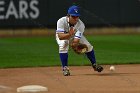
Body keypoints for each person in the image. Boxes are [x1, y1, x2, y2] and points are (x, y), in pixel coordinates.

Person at [56, 5, 103, 76]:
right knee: (64, 44)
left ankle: (94, 64)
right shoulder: (61, 21)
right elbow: (60, 36)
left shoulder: (81, 25)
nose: (75, 18)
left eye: (77, 16)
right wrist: (69, 34)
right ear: (68, 16)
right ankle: (65, 68)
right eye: (73, 16)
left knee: (88, 46)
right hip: (63, 36)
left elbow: (76, 40)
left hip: (73, 36)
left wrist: (75, 46)